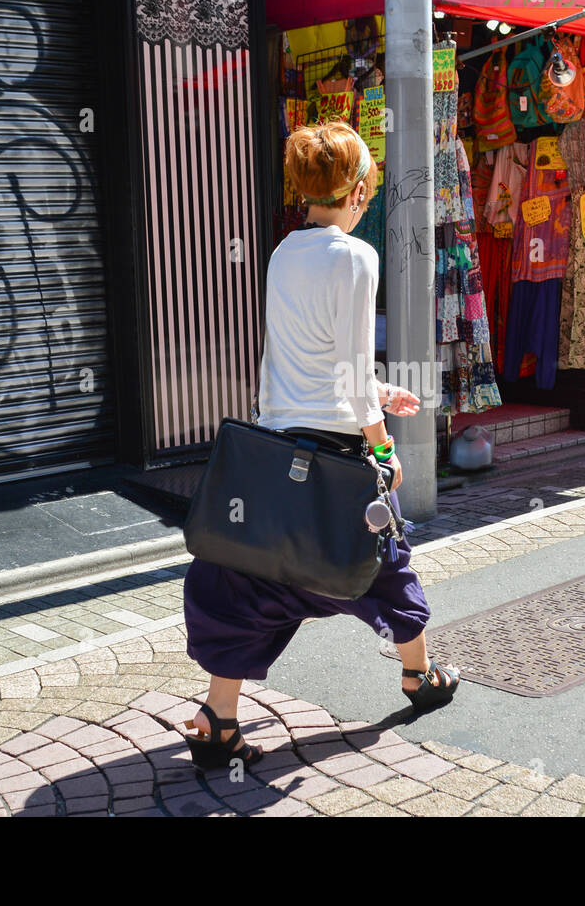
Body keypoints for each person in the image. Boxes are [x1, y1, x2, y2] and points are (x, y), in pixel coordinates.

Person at [179, 121, 460, 770]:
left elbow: (311, 361)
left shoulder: (283, 253)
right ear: (359, 190)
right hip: (337, 457)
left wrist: (378, 392)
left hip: (274, 452)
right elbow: (351, 371)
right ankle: (418, 679)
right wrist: (384, 447)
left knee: (252, 572)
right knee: (386, 563)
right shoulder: (356, 257)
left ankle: (219, 716)